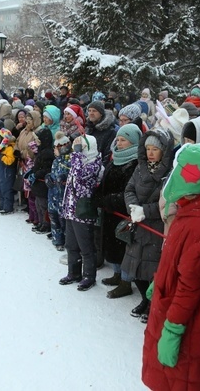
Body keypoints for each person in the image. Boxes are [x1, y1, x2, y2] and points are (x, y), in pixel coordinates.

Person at [142, 143, 200, 391]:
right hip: (181, 306)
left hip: (191, 322)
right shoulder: (195, 212)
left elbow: (190, 286)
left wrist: (173, 330)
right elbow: (179, 261)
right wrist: (159, 279)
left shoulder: (197, 226)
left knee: (182, 379)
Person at [122, 129, 174, 322]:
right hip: (137, 224)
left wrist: (146, 211)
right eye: (148, 148)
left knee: (152, 270)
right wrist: (133, 207)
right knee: (135, 268)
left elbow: (168, 201)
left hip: (155, 227)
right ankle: (145, 299)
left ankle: (153, 304)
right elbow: (128, 189)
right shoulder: (140, 168)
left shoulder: (169, 173)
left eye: (155, 149)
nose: (150, 153)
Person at [95, 123, 142, 299]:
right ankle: (116, 274)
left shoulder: (134, 163)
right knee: (112, 246)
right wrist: (98, 194)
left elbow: (128, 192)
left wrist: (107, 200)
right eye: (119, 139)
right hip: (110, 212)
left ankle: (126, 282)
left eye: (124, 140)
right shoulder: (116, 158)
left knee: (124, 248)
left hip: (122, 213)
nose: (119, 143)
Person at [59, 134, 104, 292]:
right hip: (71, 209)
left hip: (83, 211)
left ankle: (89, 276)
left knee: (86, 246)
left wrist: (77, 154)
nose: (78, 150)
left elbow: (79, 181)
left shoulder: (94, 164)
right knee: (71, 244)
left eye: (82, 147)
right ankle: (74, 272)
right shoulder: (78, 161)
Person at [46, 132, 72, 251]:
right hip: (53, 195)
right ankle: (57, 240)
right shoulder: (56, 160)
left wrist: (62, 179)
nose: (54, 150)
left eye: (56, 147)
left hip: (63, 197)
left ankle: (68, 242)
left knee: (64, 221)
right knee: (54, 218)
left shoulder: (70, 161)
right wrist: (48, 178)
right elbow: (53, 173)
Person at [30, 127, 55, 233]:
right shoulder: (41, 150)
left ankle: (46, 224)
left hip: (42, 183)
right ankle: (41, 222)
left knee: (43, 205)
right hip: (38, 183)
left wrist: (36, 174)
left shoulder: (48, 152)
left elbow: (46, 168)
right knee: (38, 204)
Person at [0, 128, 17, 215]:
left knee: (6, 189)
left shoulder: (9, 148)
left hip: (7, 172)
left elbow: (10, 161)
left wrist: (1, 157)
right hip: (0, 172)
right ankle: (2, 205)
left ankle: (8, 207)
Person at [85, 101, 117, 166]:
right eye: (89, 110)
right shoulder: (88, 128)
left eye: (94, 111)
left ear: (101, 113)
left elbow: (107, 155)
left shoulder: (110, 131)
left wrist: (100, 169)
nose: (91, 113)